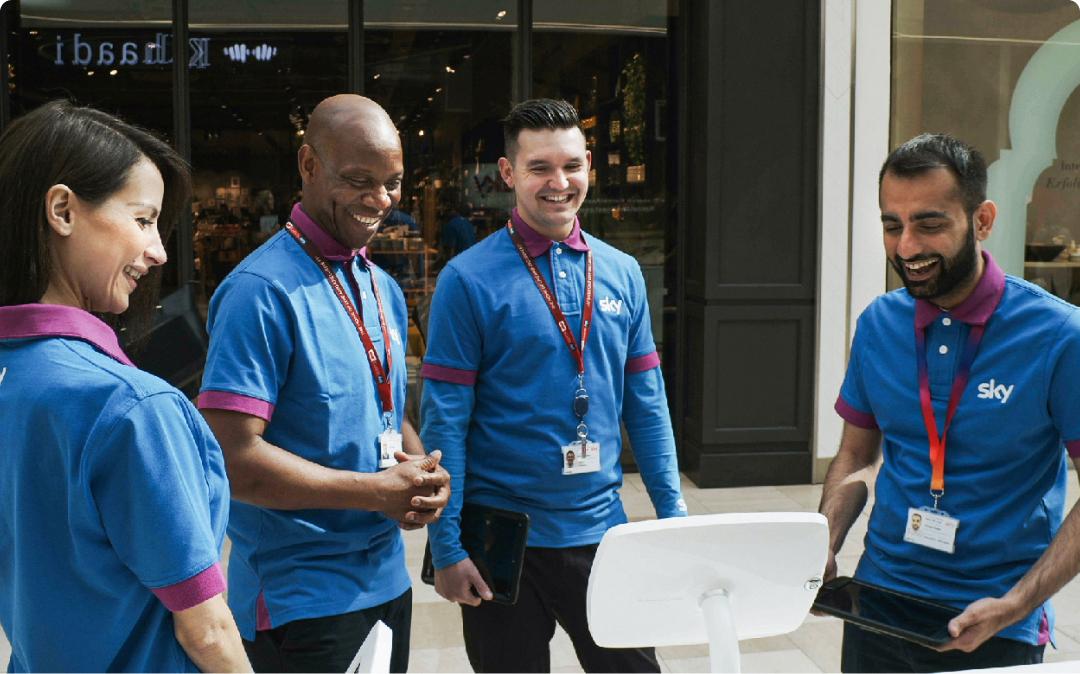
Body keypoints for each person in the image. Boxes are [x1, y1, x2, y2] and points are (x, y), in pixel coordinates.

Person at [420, 98, 687, 673]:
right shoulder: (467, 280)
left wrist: (674, 519)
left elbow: (647, 405)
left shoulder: (622, 272)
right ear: (508, 173)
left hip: (604, 534)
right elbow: (446, 421)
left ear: (590, 164)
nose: (558, 182)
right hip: (500, 543)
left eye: (571, 165)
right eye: (540, 167)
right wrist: (447, 549)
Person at [198, 94, 450, 673]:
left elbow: (386, 412)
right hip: (299, 599)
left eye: (392, 183)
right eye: (359, 180)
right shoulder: (258, 292)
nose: (380, 201)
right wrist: (374, 493)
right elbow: (233, 458)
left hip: (387, 579)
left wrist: (421, 471)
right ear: (308, 165)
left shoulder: (381, 285)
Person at [0, 100, 249, 672]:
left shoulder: (19, 378)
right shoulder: (130, 407)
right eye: (143, 220)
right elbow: (206, 630)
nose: (158, 250)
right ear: (62, 210)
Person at [819, 133, 1080, 672]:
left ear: (982, 221)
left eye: (930, 224)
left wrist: (1016, 605)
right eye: (893, 225)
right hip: (880, 602)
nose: (907, 248)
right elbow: (856, 456)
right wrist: (824, 537)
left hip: (996, 619)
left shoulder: (1059, 336)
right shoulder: (878, 324)